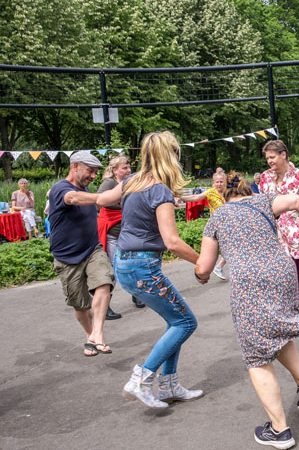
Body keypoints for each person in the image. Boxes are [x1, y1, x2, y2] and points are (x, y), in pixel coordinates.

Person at [195, 173, 299, 449]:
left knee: (256, 355)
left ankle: (280, 430)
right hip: (283, 270)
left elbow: (204, 267)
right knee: (274, 331)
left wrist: (200, 275)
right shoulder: (264, 201)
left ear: (224, 195)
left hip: (250, 282)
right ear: (246, 189)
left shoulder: (217, 217)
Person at [97, 131, 203, 409]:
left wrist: (77, 196)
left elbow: (101, 200)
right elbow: (172, 241)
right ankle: (141, 378)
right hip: (144, 267)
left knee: (175, 322)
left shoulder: (132, 181)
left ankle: (169, 386)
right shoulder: (159, 190)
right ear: (172, 157)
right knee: (185, 323)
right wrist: (203, 262)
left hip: (125, 263)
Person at [48, 151, 115, 357]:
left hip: (92, 249)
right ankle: (91, 336)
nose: (93, 176)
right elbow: (72, 198)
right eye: (90, 171)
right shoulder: (61, 189)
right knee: (80, 305)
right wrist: (101, 198)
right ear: (75, 166)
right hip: (67, 257)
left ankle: (98, 334)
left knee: (104, 282)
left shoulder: (85, 189)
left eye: (96, 172)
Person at [258, 140, 299, 313]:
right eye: (267, 158)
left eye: (272, 157)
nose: (269, 161)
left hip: (298, 230)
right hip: (274, 232)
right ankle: (282, 301)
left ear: (283, 154)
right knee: (277, 269)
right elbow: (262, 204)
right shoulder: (265, 177)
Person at [97, 155, 144, 319]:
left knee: (132, 264)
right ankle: (105, 307)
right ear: (115, 169)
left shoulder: (130, 182)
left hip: (126, 233)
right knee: (115, 270)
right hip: (113, 234)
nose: (128, 170)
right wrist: (121, 203)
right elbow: (100, 200)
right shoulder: (109, 183)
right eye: (124, 167)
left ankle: (136, 294)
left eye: (129, 167)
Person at [180, 172, 229, 279]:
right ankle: (206, 268)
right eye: (217, 182)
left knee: (230, 247)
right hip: (217, 225)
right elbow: (195, 197)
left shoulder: (228, 192)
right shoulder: (210, 192)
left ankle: (216, 267)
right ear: (213, 182)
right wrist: (182, 198)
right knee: (227, 247)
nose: (219, 184)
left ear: (225, 182)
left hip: (229, 224)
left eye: (221, 182)